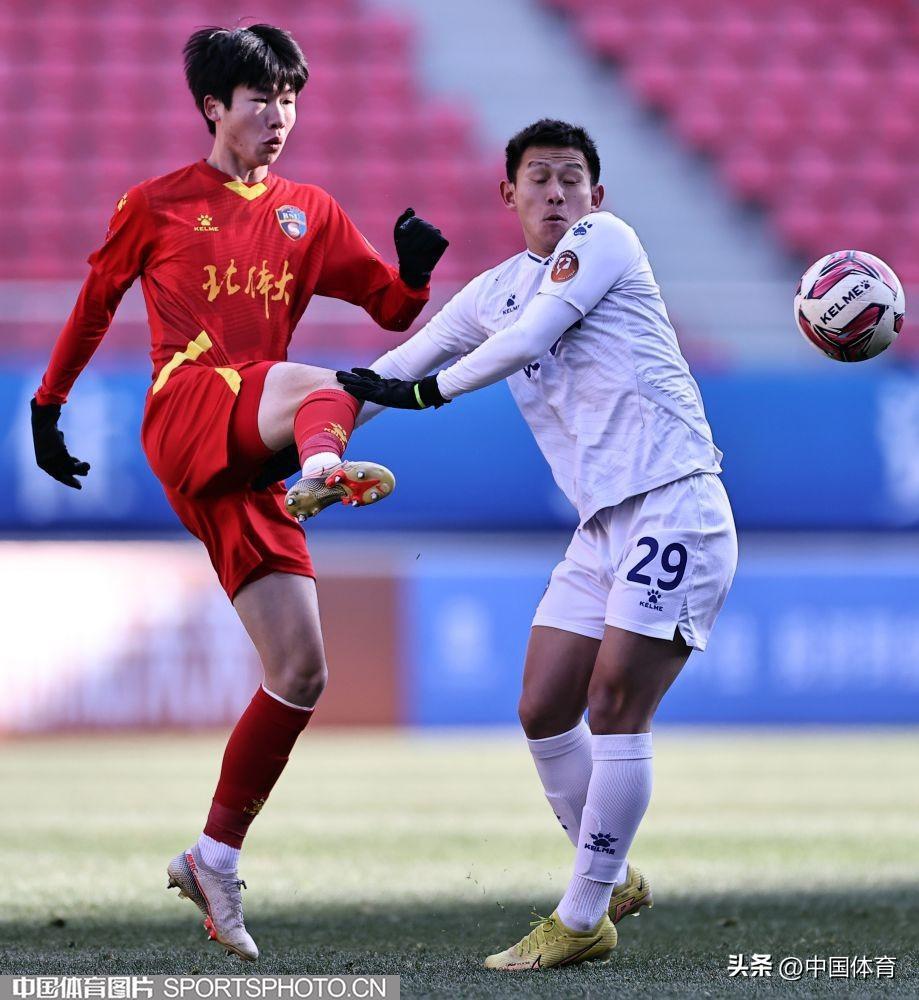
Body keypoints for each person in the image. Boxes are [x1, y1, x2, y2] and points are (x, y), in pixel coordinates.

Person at [29, 24, 447, 962]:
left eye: (290, 99)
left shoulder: (310, 212)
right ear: (214, 107)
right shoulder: (157, 203)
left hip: (251, 455)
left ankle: (212, 858)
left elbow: (387, 307)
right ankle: (322, 470)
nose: (279, 116)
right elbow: (95, 302)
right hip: (190, 409)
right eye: (261, 99)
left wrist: (415, 273)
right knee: (323, 387)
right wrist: (48, 406)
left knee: (300, 672)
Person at [339, 118, 737, 972]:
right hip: (601, 527)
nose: (555, 193)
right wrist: (310, 446)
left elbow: (518, 344)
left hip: (673, 503)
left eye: (570, 179)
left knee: (615, 703)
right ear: (507, 193)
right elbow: (394, 368)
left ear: (596, 194)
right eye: (538, 179)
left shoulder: (607, 241)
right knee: (543, 706)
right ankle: (614, 875)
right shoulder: (491, 291)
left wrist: (430, 396)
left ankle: (583, 914)